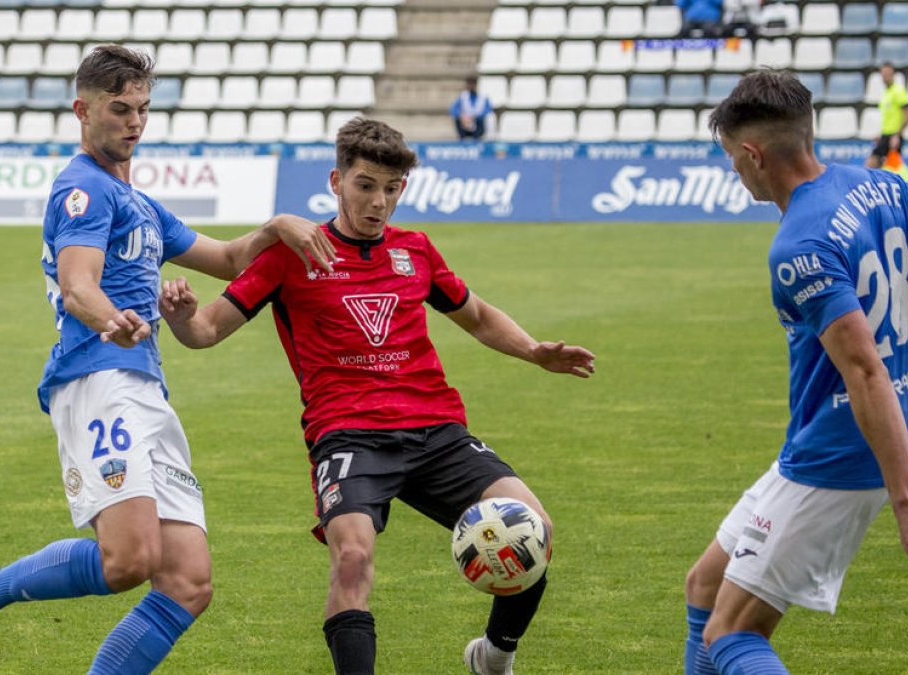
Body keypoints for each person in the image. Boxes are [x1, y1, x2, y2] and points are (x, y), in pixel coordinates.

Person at [0, 44, 337, 674]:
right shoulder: (82, 188)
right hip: (96, 378)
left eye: (143, 109)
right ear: (82, 110)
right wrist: (112, 321)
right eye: (121, 109)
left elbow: (226, 259)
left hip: (143, 386)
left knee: (188, 582)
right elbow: (77, 284)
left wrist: (278, 226)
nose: (135, 122)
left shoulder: (139, 202)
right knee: (129, 561)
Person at [156, 117, 596, 675]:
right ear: (336, 181)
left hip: (436, 430)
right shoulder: (293, 254)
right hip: (348, 435)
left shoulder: (416, 251)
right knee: (353, 558)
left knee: (537, 528)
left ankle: (493, 656)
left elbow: (479, 317)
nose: (378, 202)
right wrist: (181, 318)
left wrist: (534, 350)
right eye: (366, 186)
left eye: (391, 189)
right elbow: (207, 331)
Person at [683, 70, 908, 675]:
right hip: (823, 445)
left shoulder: (799, 244)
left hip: (838, 456)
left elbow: (865, 372)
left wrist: (907, 502)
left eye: (731, 158)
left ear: (752, 155)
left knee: (732, 636)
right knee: (705, 585)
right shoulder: (881, 187)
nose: (733, 170)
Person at [865, 62, 908, 173]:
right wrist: (881, 135)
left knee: (873, 166)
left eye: (887, 74)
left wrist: (897, 135)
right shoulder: (886, 93)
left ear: (893, 75)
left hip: (893, 137)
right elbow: (890, 118)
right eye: (883, 74)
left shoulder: (898, 91)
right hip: (885, 136)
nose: (885, 77)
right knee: (880, 170)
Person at [449, 76, 492, 142]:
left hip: (477, 123)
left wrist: (475, 117)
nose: (471, 86)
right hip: (465, 123)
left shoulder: (483, 97)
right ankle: (462, 140)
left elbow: (488, 110)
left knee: (480, 121)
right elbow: (453, 109)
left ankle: (477, 140)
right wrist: (462, 117)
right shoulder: (463, 97)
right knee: (458, 121)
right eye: (469, 84)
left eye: (473, 84)